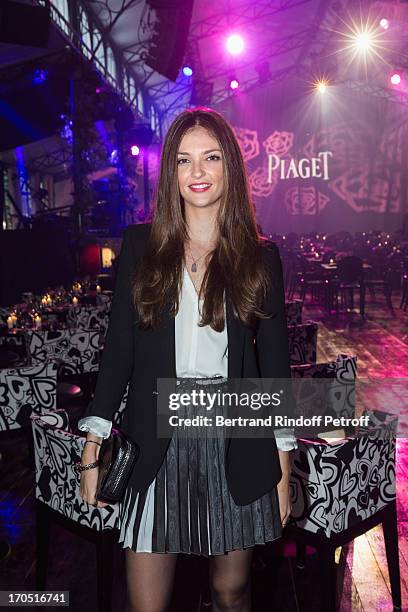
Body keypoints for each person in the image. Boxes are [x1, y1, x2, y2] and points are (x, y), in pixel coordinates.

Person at [78, 106, 297, 612]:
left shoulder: (261, 257)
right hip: (155, 438)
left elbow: (275, 370)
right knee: (146, 602)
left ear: (230, 168)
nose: (197, 172)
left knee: (230, 591)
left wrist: (284, 468)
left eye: (211, 158)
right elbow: (118, 356)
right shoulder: (140, 247)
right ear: (171, 174)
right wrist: (92, 449)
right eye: (183, 161)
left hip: (236, 440)